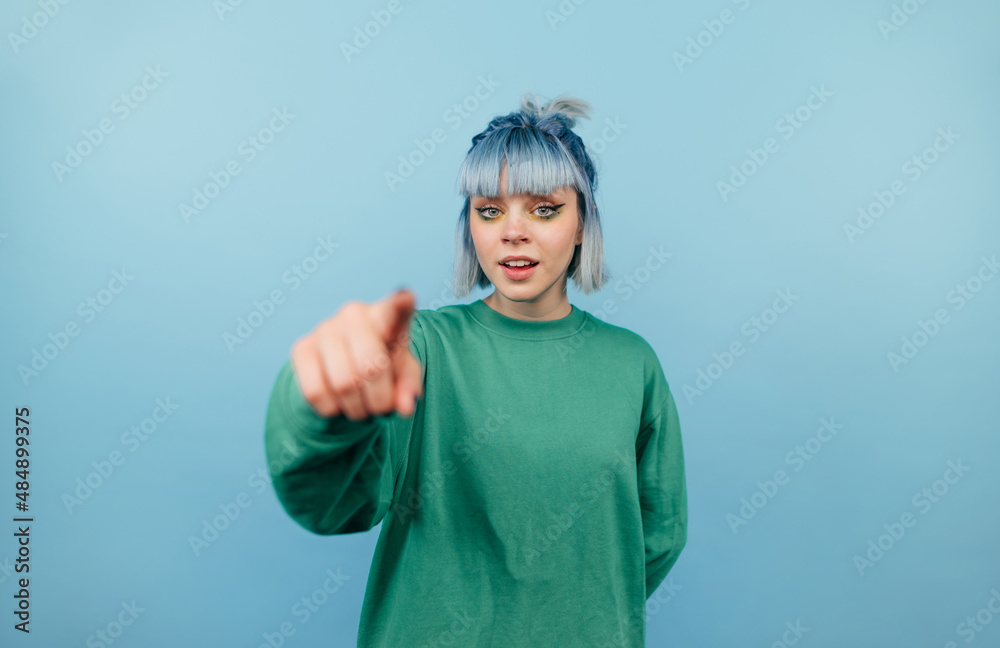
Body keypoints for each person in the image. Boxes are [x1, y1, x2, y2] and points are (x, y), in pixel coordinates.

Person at [263, 93, 688, 647]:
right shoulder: (421, 347)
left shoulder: (634, 364)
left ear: (582, 224)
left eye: (544, 209)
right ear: (472, 226)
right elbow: (334, 501)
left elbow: (658, 534)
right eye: (489, 210)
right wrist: (321, 404)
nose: (513, 231)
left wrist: (575, 618)